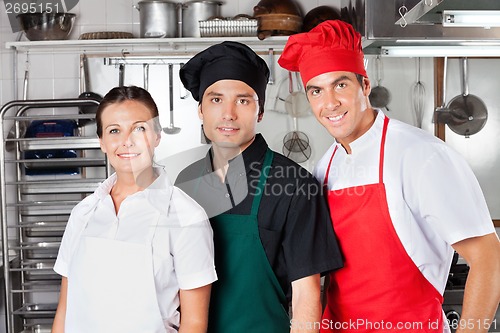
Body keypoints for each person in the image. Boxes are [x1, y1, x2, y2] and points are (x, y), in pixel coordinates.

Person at [278, 19, 500, 333]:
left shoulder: (421, 155)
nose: (329, 103)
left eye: (340, 84)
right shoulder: (325, 165)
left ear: (364, 86)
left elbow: (488, 257)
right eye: (316, 91)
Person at [175, 41, 343, 333]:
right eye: (216, 100)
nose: (228, 113)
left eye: (243, 101)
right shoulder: (185, 184)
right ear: (200, 110)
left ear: (260, 112)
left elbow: (306, 295)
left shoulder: (296, 185)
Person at [52, 86, 217, 333]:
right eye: (114, 131)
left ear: (157, 135)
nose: (127, 141)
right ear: (102, 142)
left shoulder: (186, 217)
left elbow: (193, 323)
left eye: (139, 128)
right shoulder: (83, 213)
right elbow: (65, 311)